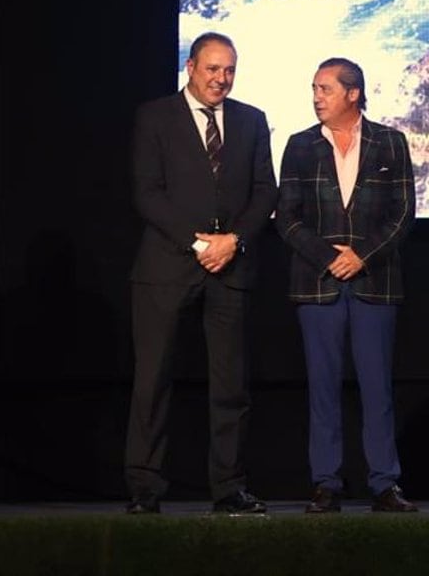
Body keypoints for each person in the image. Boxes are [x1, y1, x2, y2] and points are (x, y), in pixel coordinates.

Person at [125, 31, 277, 515]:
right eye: (213, 69)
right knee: (153, 380)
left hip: (230, 268)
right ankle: (145, 489)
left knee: (230, 383)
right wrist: (197, 244)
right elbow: (147, 193)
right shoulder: (155, 117)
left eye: (229, 70)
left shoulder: (252, 121)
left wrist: (234, 242)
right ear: (190, 67)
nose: (222, 79)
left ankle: (229, 486)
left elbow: (264, 192)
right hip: (167, 267)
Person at [274, 58, 418, 514]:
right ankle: (326, 483)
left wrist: (362, 256)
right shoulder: (299, 146)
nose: (317, 96)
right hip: (318, 285)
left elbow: (403, 213)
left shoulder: (390, 143)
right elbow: (288, 217)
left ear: (352, 94)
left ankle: (384, 483)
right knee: (322, 388)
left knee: (377, 388)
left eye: (325, 88)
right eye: (314, 88)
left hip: (375, 282)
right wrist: (329, 257)